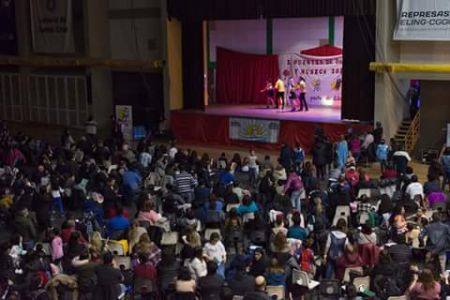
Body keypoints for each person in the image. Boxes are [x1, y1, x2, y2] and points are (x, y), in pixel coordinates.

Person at [419, 212, 450, 277]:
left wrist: (421, 243)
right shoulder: (446, 227)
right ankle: (443, 281)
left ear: (432, 218)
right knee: (442, 269)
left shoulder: (427, 227)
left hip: (430, 249)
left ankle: (426, 279)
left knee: (427, 268)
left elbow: (420, 236)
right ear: (440, 218)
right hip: (442, 250)